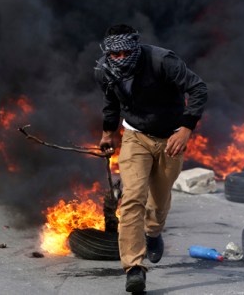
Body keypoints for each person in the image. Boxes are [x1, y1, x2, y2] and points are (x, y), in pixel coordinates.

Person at [94, 24, 207, 293]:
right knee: (133, 197)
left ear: (135, 47)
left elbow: (198, 89)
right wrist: (108, 132)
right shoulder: (104, 69)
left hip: (171, 139)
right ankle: (134, 268)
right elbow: (110, 101)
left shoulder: (162, 60)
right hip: (135, 137)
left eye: (125, 53)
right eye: (114, 55)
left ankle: (153, 233)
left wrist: (186, 128)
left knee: (159, 198)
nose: (120, 59)